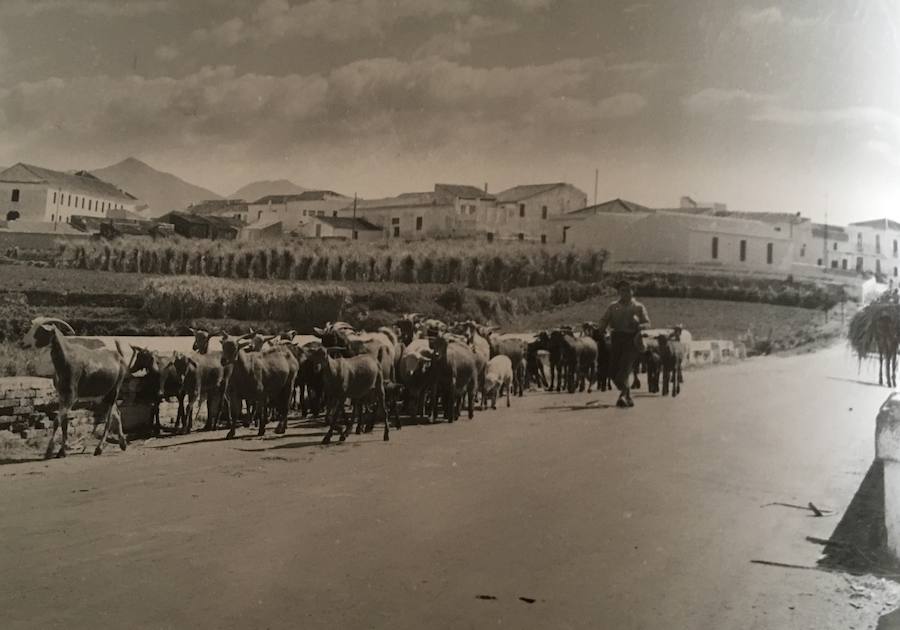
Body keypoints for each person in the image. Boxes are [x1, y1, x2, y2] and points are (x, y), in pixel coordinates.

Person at [596, 279, 651, 408]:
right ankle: (627, 395)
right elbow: (604, 320)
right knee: (613, 372)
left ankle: (622, 396)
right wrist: (601, 327)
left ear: (632, 291)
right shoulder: (613, 306)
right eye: (622, 290)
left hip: (632, 341)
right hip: (616, 340)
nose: (625, 293)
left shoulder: (638, 306)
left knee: (624, 370)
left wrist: (639, 324)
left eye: (627, 290)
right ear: (618, 292)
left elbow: (648, 323)